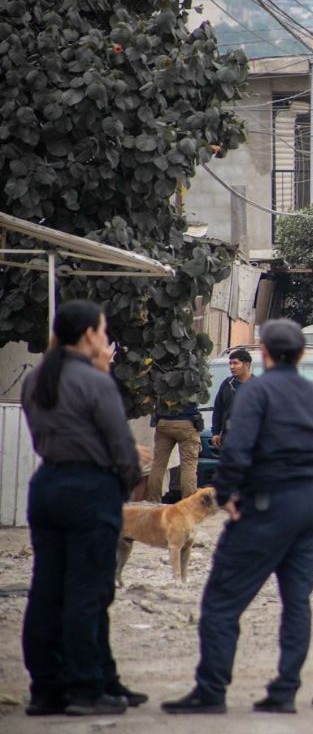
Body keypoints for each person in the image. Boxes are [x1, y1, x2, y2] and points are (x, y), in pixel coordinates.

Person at [162, 320, 313, 715]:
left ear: (263, 354)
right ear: (300, 355)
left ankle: (212, 690)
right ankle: (285, 691)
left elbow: (237, 450)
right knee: (297, 602)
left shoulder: (256, 393)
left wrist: (226, 496)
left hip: (263, 509)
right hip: (307, 511)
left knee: (222, 601)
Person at [20, 300, 145, 717]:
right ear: (91, 334)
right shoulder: (94, 382)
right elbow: (121, 448)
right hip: (90, 488)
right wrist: (124, 485)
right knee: (87, 591)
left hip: (47, 485)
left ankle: (47, 688)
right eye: (103, 328)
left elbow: (39, 438)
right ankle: (87, 687)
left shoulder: (37, 378)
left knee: (46, 589)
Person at [147, 396, 202, 503]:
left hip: (163, 421)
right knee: (188, 466)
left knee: (158, 464)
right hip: (187, 421)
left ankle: (153, 502)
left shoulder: (161, 377)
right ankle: (188, 504)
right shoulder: (192, 378)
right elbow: (201, 396)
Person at [210, 348, 253, 450]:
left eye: (235, 363)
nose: (232, 367)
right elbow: (218, 409)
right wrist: (215, 432)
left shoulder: (257, 386)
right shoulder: (227, 384)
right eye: (230, 363)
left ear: (246, 365)